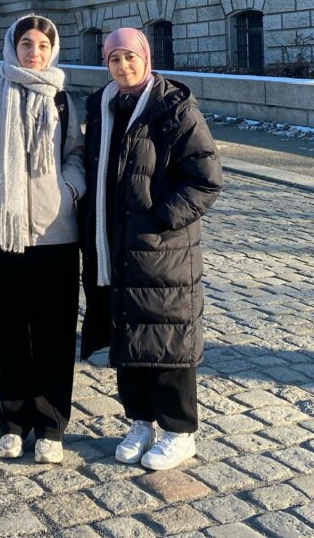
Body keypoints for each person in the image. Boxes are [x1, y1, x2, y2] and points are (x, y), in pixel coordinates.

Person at [79, 27, 222, 471]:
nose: (123, 66)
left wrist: (160, 220)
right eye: (114, 58)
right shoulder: (102, 107)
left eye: (130, 56)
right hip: (114, 244)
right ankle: (140, 421)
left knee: (167, 336)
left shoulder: (174, 107)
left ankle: (180, 431)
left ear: (146, 57)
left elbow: (206, 179)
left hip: (163, 248)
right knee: (128, 334)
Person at [0, 14, 85, 465]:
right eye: (27, 44)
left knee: (54, 333)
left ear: (53, 50)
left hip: (55, 235)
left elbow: (76, 155)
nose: (34, 52)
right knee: (4, 331)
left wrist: (66, 192)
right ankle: (12, 420)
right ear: (14, 46)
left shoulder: (62, 98)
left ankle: (50, 425)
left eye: (42, 46)